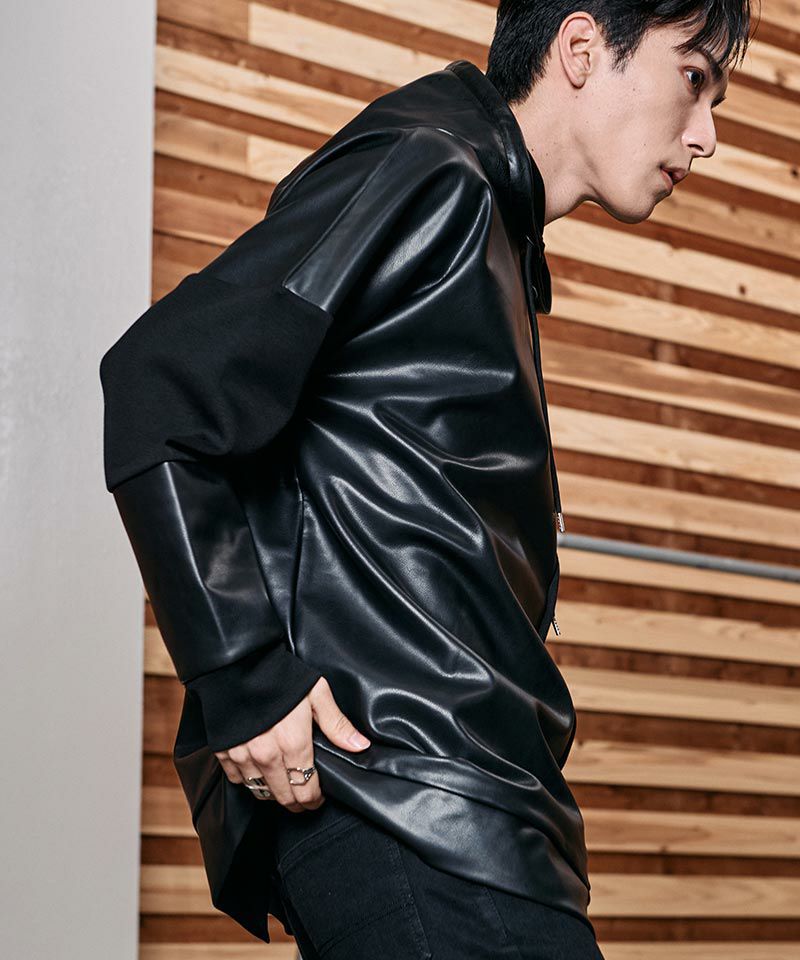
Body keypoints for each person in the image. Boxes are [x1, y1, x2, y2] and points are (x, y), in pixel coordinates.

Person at [99, 2, 753, 956]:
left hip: (466, 807)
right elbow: (160, 380)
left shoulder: (494, 218)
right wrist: (245, 679)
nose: (706, 135)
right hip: (411, 797)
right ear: (581, 48)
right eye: (694, 80)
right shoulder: (433, 166)